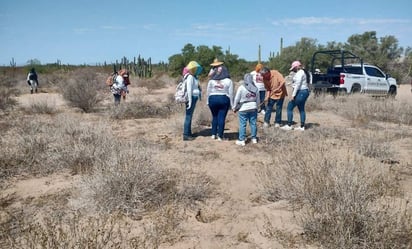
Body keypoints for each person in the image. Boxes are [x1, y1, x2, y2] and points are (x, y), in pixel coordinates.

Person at [206, 62, 234, 141]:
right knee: (221, 117)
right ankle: (220, 135)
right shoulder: (228, 81)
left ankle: (213, 134)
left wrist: (207, 101)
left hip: (212, 98)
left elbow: (208, 91)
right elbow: (231, 93)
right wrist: (232, 104)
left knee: (214, 116)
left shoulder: (212, 81)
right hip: (223, 98)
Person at [281, 61, 310, 131]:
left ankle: (289, 125)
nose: (293, 69)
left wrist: (293, 95)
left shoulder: (300, 73)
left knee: (289, 107)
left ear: (297, 67)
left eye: (294, 68)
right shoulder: (303, 72)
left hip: (300, 92)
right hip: (304, 91)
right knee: (301, 108)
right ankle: (302, 126)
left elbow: (297, 84)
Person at [232, 73, 260, 146]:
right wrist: (257, 107)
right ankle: (254, 138)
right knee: (253, 123)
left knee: (242, 124)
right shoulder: (256, 88)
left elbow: (237, 98)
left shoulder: (241, 87)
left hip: (243, 108)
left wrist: (234, 107)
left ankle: (242, 140)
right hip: (253, 107)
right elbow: (258, 100)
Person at [183, 61, 203, 141]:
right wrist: (190, 101)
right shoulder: (190, 77)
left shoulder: (194, 77)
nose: (195, 70)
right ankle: (186, 135)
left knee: (190, 116)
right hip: (190, 98)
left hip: (194, 98)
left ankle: (188, 133)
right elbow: (189, 89)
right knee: (188, 116)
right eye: (194, 68)